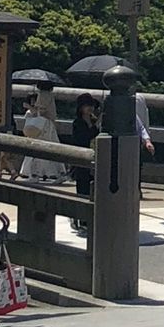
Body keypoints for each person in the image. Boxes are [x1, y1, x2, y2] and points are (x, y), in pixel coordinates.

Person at [19, 86, 69, 184]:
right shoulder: (50, 95)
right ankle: (61, 173)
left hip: (43, 125)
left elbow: (41, 111)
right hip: (49, 125)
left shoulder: (43, 95)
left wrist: (30, 108)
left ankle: (35, 175)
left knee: (36, 150)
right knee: (54, 149)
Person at [69, 95, 100, 235]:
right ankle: (79, 218)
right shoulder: (78, 123)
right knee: (82, 189)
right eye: (87, 105)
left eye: (92, 106)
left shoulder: (94, 121)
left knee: (92, 189)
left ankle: (88, 219)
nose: (90, 108)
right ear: (81, 107)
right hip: (81, 160)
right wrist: (92, 128)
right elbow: (81, 139)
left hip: (94, 159)